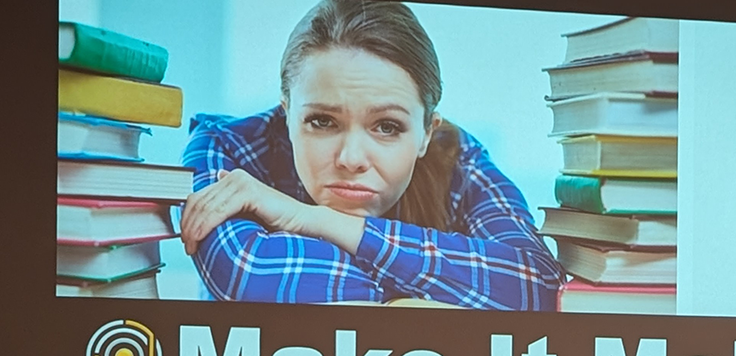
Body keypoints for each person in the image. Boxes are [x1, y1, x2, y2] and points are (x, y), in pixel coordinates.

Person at [179, 0, 563, 306]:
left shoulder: (457, 161)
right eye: (322, 121)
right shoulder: (225, 146)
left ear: (427, 133)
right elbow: (246, 272)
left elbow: (538, 285)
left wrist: (315, 220)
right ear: (287, 116)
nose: (351, 158)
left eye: (387, 127)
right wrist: (415, 305)